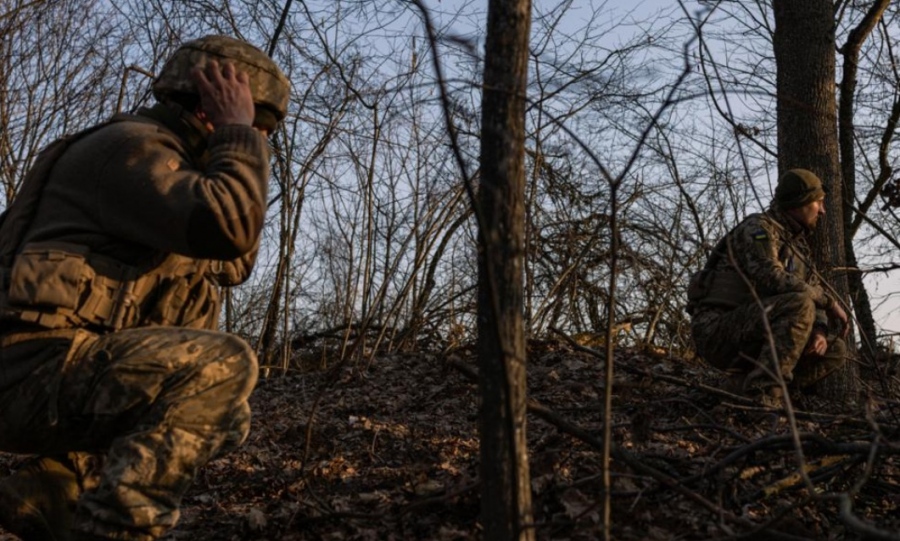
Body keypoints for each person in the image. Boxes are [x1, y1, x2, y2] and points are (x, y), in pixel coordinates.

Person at [0, 35, 290, 540]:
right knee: (221, 367)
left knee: (228, 414)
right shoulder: (133, 149)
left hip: (49, 368)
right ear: (206, 110)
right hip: (26, 368)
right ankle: (116, 530)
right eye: (256, 125)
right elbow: (228, 226)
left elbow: (233, 262)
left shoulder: (173, 171)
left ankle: (52, 490)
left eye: (263, 132)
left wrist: (234, 146)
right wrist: (237, 135)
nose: (259, 140)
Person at [687, 169, 850, 407]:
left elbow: (811, 290)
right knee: (800, 304)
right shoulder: (758, 230)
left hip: (756, 332)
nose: (823, 210)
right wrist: (829, 301)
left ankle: (745, 387)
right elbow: (771, 278)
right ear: (800, 203)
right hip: (717, 331)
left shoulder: (800, 249)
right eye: (819, 202)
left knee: (836, 349)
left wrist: (820, 331)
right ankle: (764, 398)